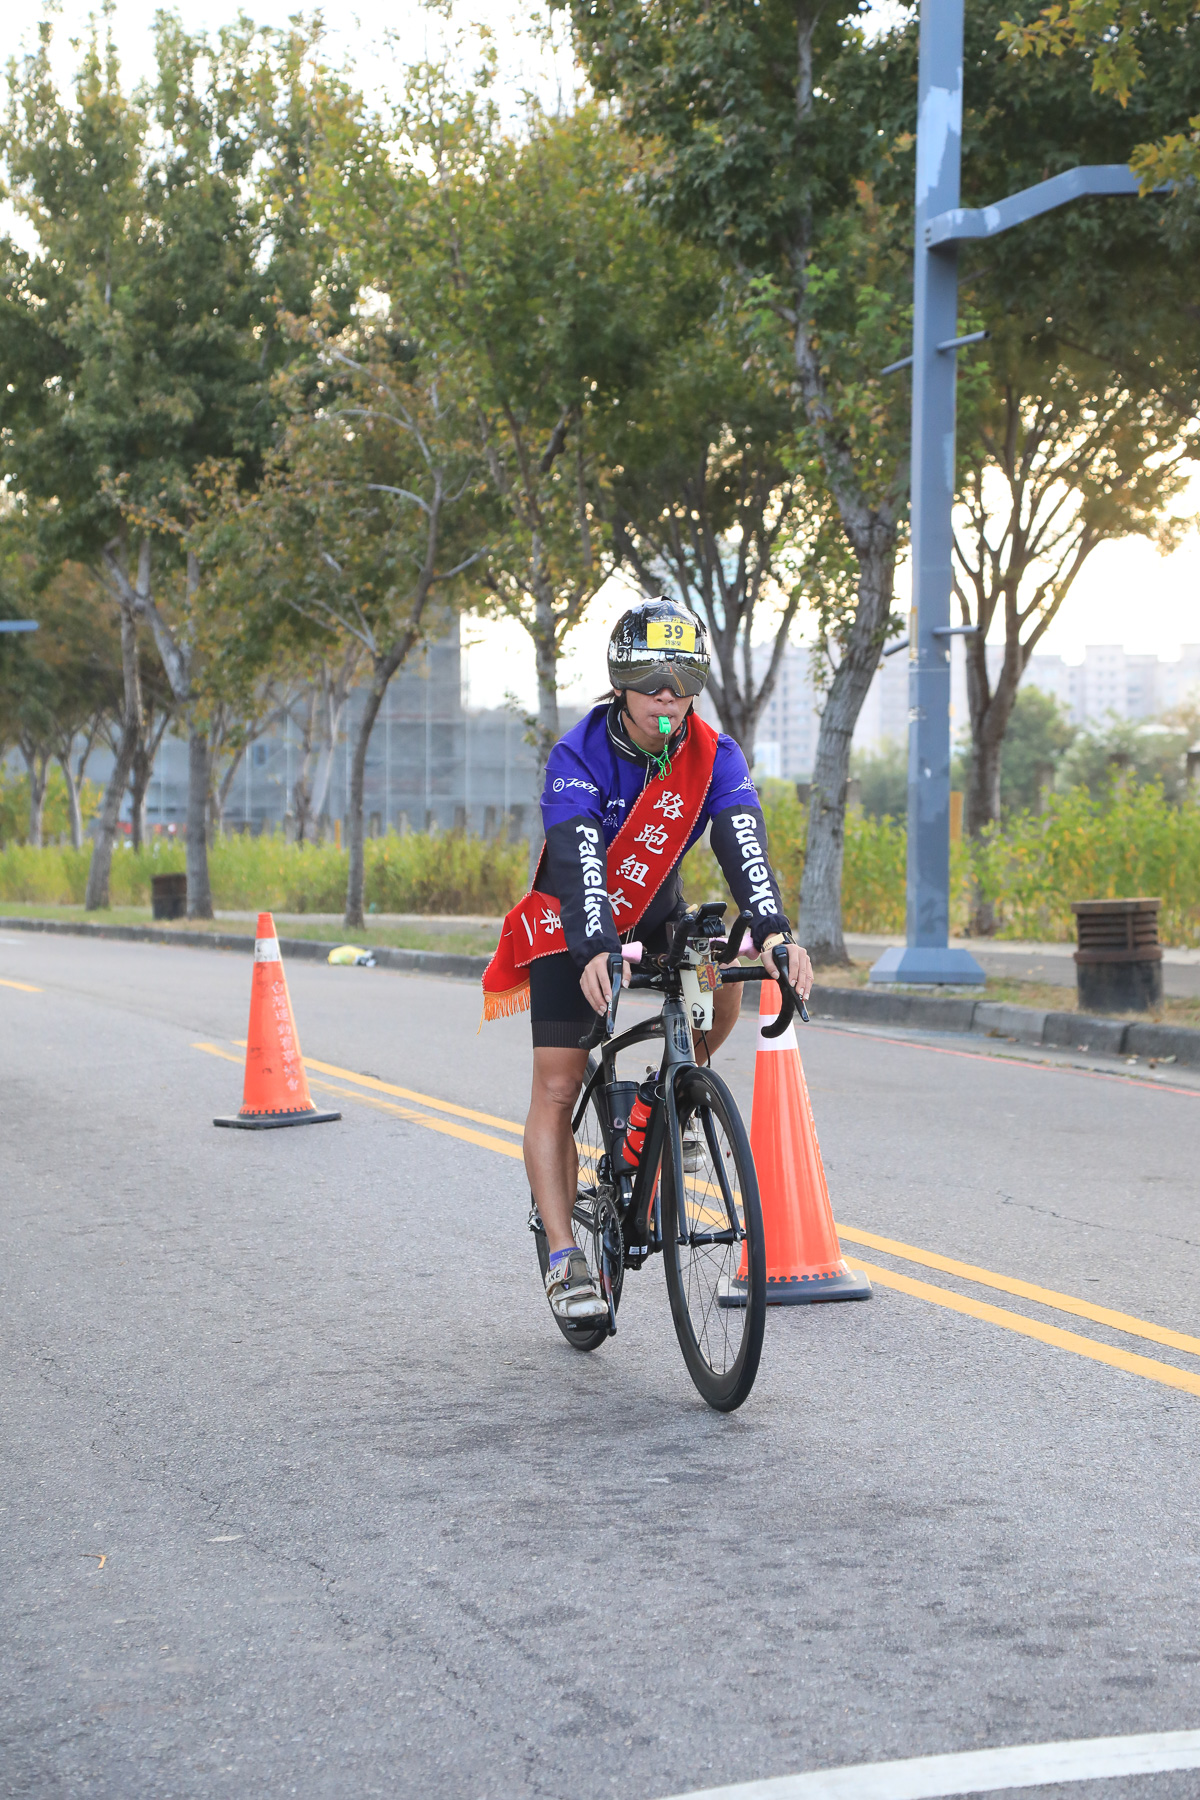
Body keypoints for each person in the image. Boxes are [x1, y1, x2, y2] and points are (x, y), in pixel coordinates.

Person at [480, 598, 814, 1324]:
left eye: (682, 679)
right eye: (651, 681)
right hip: (569, 923)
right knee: (559, 1085)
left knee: (719, 968)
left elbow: (743, 843)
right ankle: (565, 1256)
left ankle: (671, 1096)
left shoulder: (715, 754)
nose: (668, 695)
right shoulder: (577, 755)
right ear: (620, 684)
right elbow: (578, 861)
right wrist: (596, 946)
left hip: (657, 914)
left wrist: (775, 933)